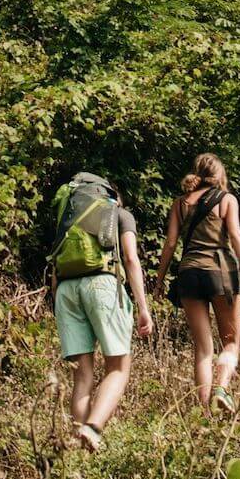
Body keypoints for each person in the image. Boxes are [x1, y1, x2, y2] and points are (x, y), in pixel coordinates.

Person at [49, 172, 154, 451]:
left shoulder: (67, 218)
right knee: (118, 368)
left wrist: (57, 302)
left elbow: (55, 266)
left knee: (82, 375)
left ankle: (78, 449)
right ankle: (93, 427)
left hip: (66, 290)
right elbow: (131, 259)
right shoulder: (119, 213)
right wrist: (143, 308)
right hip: (102, 284)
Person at [153, 154, 240, 414]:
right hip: (220, 271)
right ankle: (221, 389)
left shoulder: (180, 203)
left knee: (203, 349)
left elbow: (170, 244)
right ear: (219, 174)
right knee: (231, 341)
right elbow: (236, 237)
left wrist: (159, 281)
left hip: (189, 273)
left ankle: (204, 413)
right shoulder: (227, 200)